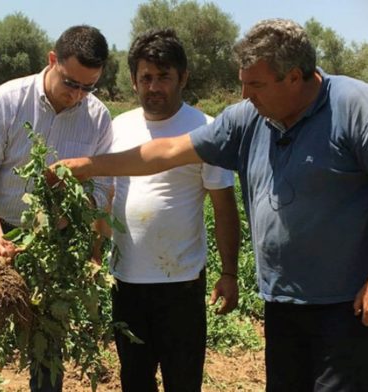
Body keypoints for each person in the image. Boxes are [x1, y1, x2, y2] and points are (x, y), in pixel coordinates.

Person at [57, 19, 368, 391]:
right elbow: (165, 151)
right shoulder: (250, 118)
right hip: (282, 298)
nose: (245, 95)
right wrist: (88, 167)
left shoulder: (356, 107)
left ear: (294, 77)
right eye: (243, 82)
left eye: (256, 84)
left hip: (347, 301)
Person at [0, 25, 113, 392]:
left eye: (88, 87)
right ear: (52, 61)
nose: (78, 95)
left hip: (54, 248)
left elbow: (102, 190)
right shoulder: (8, 101)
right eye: (71, 83)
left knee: (48, 353)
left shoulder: (98, 118)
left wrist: (93, 255)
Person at [107, 28, 240, 392]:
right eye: (145, 77)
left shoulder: (204, 129)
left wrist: (230, 272)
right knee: (134, 380)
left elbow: (224, 206)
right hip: (126, 281)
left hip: (180, 284)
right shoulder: (118, 127)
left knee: (182, 381)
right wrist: (92, 259)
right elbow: (106, 199)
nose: (154, 87)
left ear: (183, 77)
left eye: (164, 77)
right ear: (133, 81)